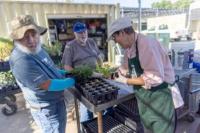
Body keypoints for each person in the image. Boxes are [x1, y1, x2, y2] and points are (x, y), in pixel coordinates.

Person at [108, 17, 177, 133]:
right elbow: (125, 68)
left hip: (160, 99)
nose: (116, 42)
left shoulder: (146, 44)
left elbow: (154, 77)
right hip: (145, 101)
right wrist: (111, 76)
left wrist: (125, 81)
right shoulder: (129, 48)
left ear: (123, 32)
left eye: (115, 38)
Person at [9, 15, 75, 133]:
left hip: (56, 101)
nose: (31, 40)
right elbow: (46, 84)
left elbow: (50, 68)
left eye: (33, 34)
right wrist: (73, 80)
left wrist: (65, 73)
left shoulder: (38, 49)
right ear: (17, 39)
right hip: (46, 109)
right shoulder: (21, 60)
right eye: (25, 36)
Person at [61, 22, 103, 122]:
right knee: (86, 106)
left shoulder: (91, 42)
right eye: (80, 33)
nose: (83, 35)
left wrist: (101, 62)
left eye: (84, 32)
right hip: (82, 80)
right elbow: (66, 67)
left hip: (97, 77)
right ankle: (86, 125)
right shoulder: (70, 46)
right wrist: (83, 73)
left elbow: (98, 56)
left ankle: (103, 122)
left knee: (103, 102)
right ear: (75, 34)